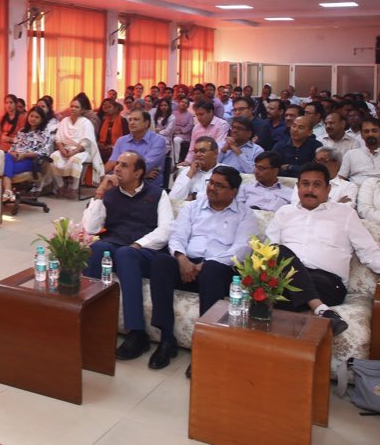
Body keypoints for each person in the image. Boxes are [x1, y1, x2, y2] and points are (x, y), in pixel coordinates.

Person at [264, 162, 380, 336]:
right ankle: (320, 310)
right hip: (284, 281)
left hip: (326, 283)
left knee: (273, 291)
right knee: (275, 251)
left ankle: (287, 308)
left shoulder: (345, 214)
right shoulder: (284, 212)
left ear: (328, 189)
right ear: (297, 187)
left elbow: (370, 252)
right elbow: (268, 252)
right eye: (305, 184)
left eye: (317, 185)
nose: (310, 189)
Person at [147, 165, 257, 373]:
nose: (212, 188)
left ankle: (204, 347)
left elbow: (241, 250)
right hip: (187, 264)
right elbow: (177, 236)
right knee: (161, 262)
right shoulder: (192, 207)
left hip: (219, 269)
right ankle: (166, 340)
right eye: (211, 183)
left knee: (213, 269)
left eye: (219, 186)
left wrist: (204, 265)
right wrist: (182, 259)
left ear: (233, 192)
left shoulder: (245, 215)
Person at [81, 153, 172, 361]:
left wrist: (139, 244)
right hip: (115, 245)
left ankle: (137, 333)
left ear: (138, 172)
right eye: (117, 164)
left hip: (146, 251)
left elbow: (166, 230)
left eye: (124, 165)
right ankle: (91, 321)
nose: (117, 169)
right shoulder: (111, 194)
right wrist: (100, 192)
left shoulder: (158, 194)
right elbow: (90, 228)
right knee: (96, 249)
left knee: (126, 254)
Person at [48, 92, 103, 197]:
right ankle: (60, 185)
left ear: (82, 110)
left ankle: (74, 187)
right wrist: (61, 149)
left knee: (75, 160)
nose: (73, 109)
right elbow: (58, 138)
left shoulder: (86, 122)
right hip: (64, 149)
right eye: (72, 106)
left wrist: (74, 151)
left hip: (81, 151)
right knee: (53, 157)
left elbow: (86, 141)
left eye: (76, 107)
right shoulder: (64, 121)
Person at [105, 109, 169, 189]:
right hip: (122, 183)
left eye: (136, 119)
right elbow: (113, 163)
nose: (131, 122)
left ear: (146, 123)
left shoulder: (158, 140)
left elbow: (145, 166)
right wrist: (142, 175)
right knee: (106, 186)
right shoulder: (121, 140)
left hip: (148, 186)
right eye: (130, 120)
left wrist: (141, 175)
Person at [1, 106, 53, 201]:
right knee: (6, 155)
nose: (33, 119)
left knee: (5, 168)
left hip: (32, 162)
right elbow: (12, 148)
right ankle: (8, 191)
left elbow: (44, 152)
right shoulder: (22, 131)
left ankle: (7, 190)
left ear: (41, 120)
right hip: (15, 158)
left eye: (37, 117)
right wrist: (14, 154)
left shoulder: (44, 133)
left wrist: (25, 155)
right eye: (31, 116)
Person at [337, 117, 380, 187]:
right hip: (356, 193)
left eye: (374, 131)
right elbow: (340, 179)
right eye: (366, 131)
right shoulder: (351, 154)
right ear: (361, 135)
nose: (370, 134)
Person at [170, 136, 218, 200]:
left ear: (215, 153)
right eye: (195, 151)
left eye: (202, 151)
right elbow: (173, 199)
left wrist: (194, 196)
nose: (198, 154)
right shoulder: (187, 172)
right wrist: (191, 173)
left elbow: (221, 195)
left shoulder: (225, 172)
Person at [183, 100, 229, 165]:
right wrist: (187, 161)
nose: (199, 118)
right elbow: (192, 148)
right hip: (198, 163)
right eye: (197, 115)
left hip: (215, 162)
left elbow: (218, 148)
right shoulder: (196, 127)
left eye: (201, 114)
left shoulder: (222, 125)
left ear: (210, 112)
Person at [171, 97, 195, 163]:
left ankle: (176, 161)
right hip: (171, 132)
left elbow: (190, 125)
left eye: (186, 103)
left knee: (176, 140)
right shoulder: (173, 112)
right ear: (179, 103)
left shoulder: (189, 115)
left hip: (184, 135)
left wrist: (180, 131)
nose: (183, 104)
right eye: (182, 102)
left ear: (188, 106)